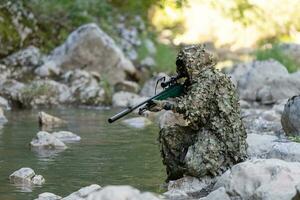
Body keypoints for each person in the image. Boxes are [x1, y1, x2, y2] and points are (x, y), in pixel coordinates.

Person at [149, 45, 247, 180]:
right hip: (202, 130)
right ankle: (176, 177)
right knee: (168, 134)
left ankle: (225, 162)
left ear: (195, 63)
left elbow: (192, 108)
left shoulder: (209, 78)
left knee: (194, 166)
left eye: (186, 65)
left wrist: (165, 105)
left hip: (221, 136)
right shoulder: (195, 82)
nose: (183, 70)